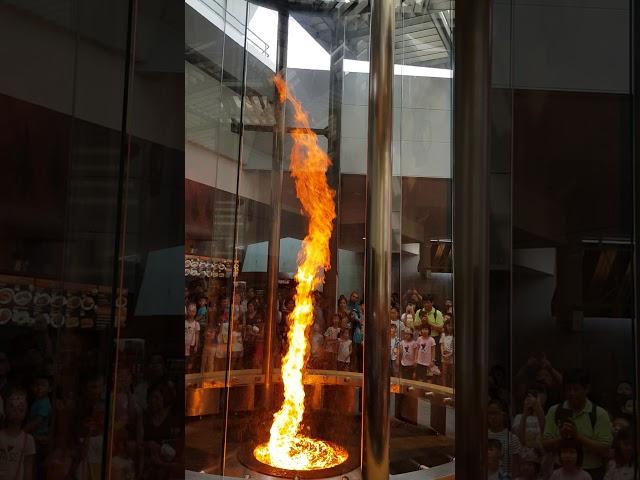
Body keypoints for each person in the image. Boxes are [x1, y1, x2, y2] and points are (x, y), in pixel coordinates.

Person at [543, 369, 612, 480]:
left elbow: (605, 448)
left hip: (591, 471)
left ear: (587, 389)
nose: (571, 393)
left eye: (576, 389)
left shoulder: (599, 414)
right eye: (568, 389)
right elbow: (546, 445)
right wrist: (562, 437)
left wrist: (577, 436)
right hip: (561, 472)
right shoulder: (555, 411)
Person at [0, 388, 35, 480]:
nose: (16, 411)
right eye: (12, 406)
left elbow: (28, 469)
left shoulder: (28, 440)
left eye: (20, 407)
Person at [488, 398, 522, 477]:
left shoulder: (513, 439)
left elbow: (516, 469)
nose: (492, 417)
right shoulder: (482, 437)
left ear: (504, 415)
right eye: (490, 413)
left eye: (495, 413)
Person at [24, 376, 51, 472]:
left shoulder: (44, 403)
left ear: (49, 388)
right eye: (37, 385)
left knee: (34, 466)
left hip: (39, 439)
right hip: (34, 437)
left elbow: (37, 421)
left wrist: (22, 431)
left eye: (43, 385)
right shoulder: (37, 401)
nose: (39, 388)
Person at [417, 295, 444, 364]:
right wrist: (422, 323)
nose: (426, 304)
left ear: (432, 303)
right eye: (424, 302)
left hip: (434, 338)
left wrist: (429, 323)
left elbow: (441, 329)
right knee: (421, 361)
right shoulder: (419, 312)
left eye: (428, 302)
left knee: (434, 361)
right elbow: (415, 327)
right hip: (422, 338)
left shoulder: (437, 313)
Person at [185, 302, 200, 372]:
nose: (191, 313)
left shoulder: (196, 324)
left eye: (193, 311)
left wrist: (196, 346)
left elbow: (197, 335)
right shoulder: (184, 322)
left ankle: (188, 372)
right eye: (190, 311)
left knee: (190, 361)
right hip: (184, 345)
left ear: (195, 312)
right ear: (187, 311)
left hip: (191, 345)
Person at [440, 318, 454, 387]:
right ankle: (444, 387)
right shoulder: (443, 335)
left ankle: (451, 388)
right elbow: (441, 345)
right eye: (448, 325)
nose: (450, 327)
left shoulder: (454, 336)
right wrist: (442, 354)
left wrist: (450, 354)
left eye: (451, 326)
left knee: (452, 374)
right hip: (444, 357)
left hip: (452, 357)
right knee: (444, 373)